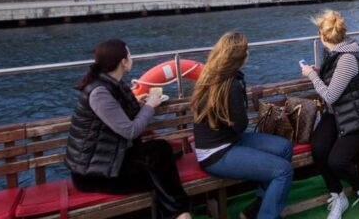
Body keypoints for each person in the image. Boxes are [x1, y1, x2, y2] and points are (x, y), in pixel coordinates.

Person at [65, 39, 192, 219]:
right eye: (129, 55)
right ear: (123, 62)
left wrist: (139, 104)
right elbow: (130, 131)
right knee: (163, 176)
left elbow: (118, 117)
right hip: (93, 174)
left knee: (161, 150)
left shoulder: (114, 84)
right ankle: (182, 213)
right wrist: (150, 105)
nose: (132, 58)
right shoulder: (99, 93)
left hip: (114, 160)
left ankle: (179, 214)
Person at [191, 32, 293, 219]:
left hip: (229, 140)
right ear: (241, 57)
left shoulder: (212, 75)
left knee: (285, 148)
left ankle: (255, 210)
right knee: (283, 171)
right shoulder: (231, 85)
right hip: (216, 153)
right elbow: (241, 125)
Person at [300, 10, 359, 219]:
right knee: (318, 148)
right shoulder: (336, 51)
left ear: (322, 36)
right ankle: (337, 195)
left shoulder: (346, 58)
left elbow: (330, 96)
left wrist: (311, 76)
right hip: (338, 116)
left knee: (336, 161)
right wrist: (320, 73)